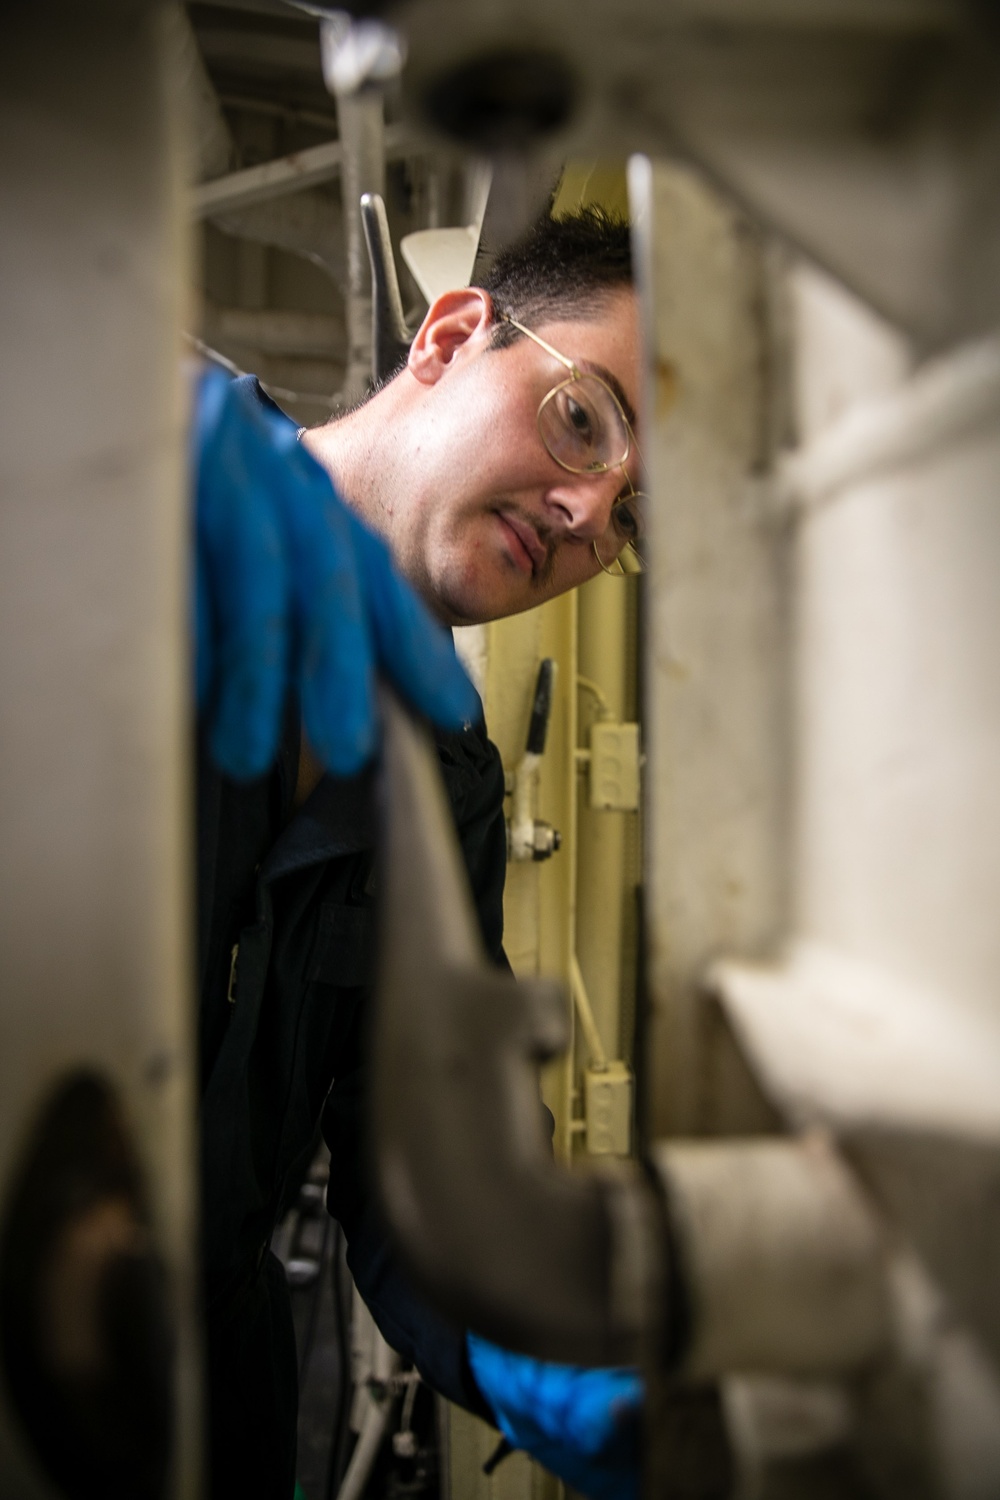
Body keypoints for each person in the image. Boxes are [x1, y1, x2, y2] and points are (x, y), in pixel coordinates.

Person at [193, 207, 644, 1500]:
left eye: (631, 517)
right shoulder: (105, 505)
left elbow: (411, 1149)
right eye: (580, 420)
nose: (584, 512)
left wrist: (528, 1341)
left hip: (201, 1394)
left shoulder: (444, 784)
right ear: (452, 334)